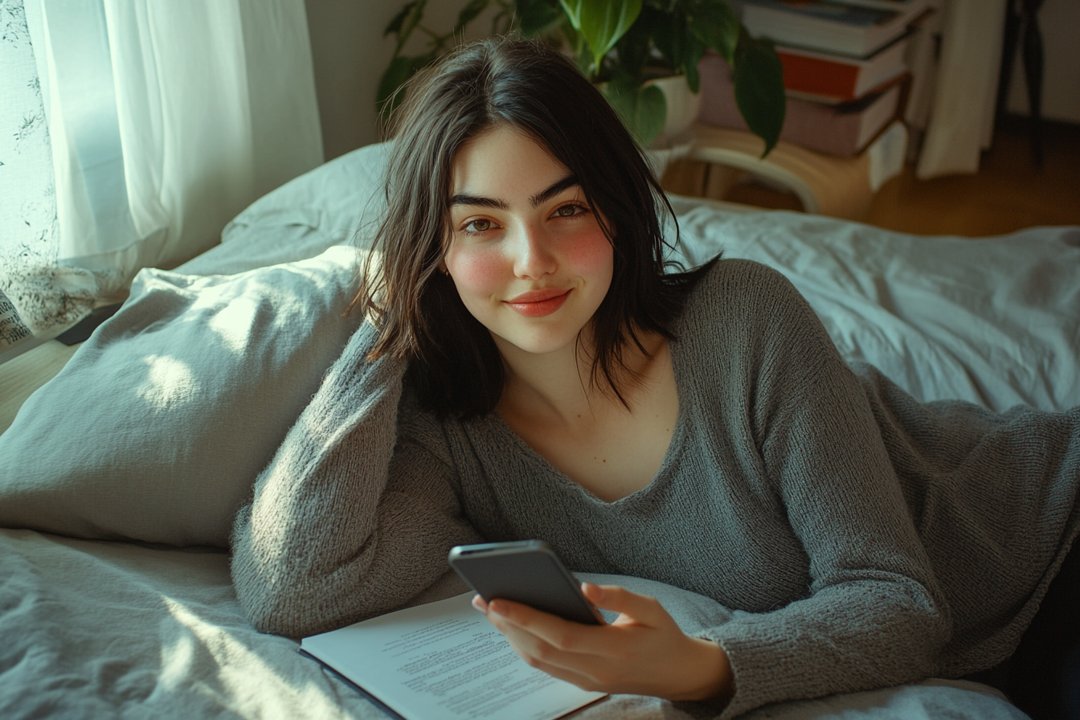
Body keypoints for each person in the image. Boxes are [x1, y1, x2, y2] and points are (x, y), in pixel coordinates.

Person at [230, 36, 1080, 719]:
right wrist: (387, 326)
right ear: (432, 251)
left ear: (617, 208)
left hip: (1050, 541)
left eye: (567, 209)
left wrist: (698, 667)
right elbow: (295, 585)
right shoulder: (447, 430)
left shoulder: (745, 321)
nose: (533, 262)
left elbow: (895, 600)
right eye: (480, 226)